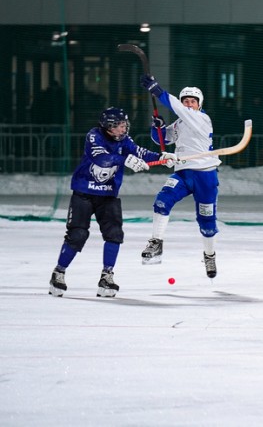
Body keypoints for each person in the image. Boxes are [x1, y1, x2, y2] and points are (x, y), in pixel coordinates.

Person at [48, 107, 176, 297]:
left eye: (124, 125)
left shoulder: (125, 140)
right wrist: (126, 160)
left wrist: (161, 158)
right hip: (84, 194)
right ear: (108, 127)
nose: (123, 130)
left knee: (114, 234)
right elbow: (101, 158)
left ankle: (107, 276)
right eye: (118, 126)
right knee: (77, 235)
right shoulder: (94, 136)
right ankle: (59, 272)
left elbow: (139, 151)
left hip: (108, 195)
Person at [139, 76, 221, 279]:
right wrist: (157, 126)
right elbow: (162, 138)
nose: (188, 104)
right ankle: (156, 242)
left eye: (193, 101)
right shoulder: (180, 123)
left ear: (199, 104)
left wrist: (157, 90)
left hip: (206, 176)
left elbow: (174, 105)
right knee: (162, 201)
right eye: (186, 100)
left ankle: (209, 255)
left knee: (207, 223)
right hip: (183, 173)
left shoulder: (201, 118)